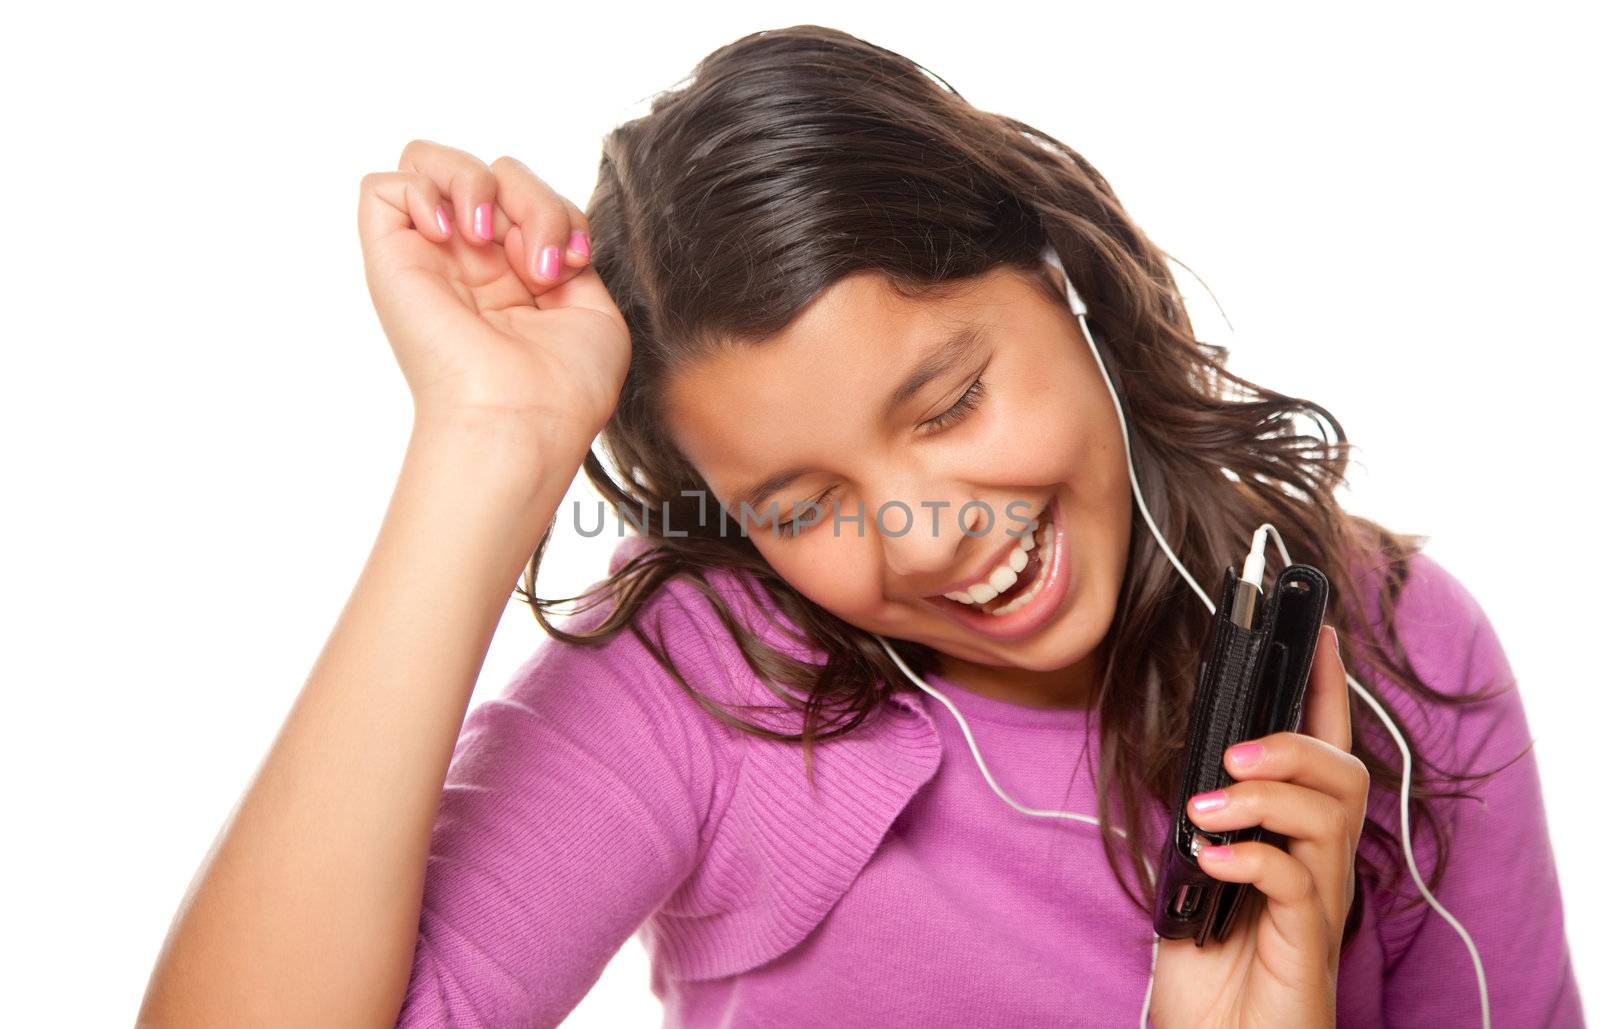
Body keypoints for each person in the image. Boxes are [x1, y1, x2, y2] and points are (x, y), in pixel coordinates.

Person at [138, 24, 1583, 1028]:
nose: (925, 532)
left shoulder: (1392, 648)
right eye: (804, 503)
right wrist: (483, 446)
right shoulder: (705, 672)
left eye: (948, 400)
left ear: (1066, 278)